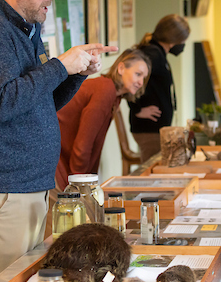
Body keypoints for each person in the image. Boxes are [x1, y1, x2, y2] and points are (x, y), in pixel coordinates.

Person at [0, 0, 116, 282]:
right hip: (3, 187)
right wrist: (61, 65)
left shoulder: (24, 30)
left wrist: (76, 73)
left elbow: (38, 101)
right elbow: (3, 102)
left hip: (29, 185)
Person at [55, 48, 151, 189]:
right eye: (138, 74)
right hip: (55, 160)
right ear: (121, 68)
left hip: (63, 159)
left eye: (144, 78)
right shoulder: (105, 90)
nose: (141, 82)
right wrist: (82, 184)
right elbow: (84, 144)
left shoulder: (115, 96)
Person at [128, 14, 190, 162]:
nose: (183, 44)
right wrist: (137, 109)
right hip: (149, 130)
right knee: (151, 170)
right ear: (173, 39)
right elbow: (129, 80)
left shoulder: (157, 52)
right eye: (182, 40)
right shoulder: (153, 54)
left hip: (155, 128)